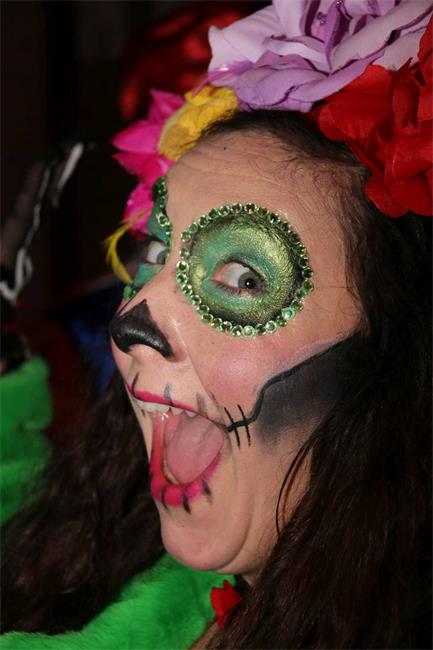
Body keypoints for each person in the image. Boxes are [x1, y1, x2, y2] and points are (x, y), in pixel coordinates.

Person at [2, 2, 432, 648]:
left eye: (244, 278)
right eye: (156, 252)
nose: (130, 321)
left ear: (401, 357)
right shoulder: (128, 567)